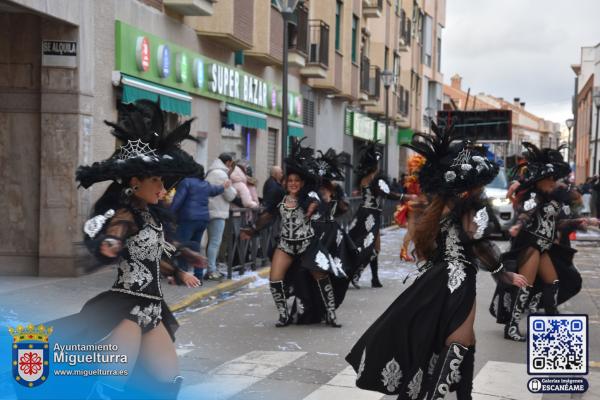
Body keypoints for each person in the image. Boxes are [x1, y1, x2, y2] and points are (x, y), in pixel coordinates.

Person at [346, 123, 528, 400]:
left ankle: (463, 396)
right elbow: (477, 244)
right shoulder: (467, 208)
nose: (481, 190)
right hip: (458, 280)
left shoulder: (437, 206)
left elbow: (427, 248)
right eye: (479, 186)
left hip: (436, 278)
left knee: (463, 340)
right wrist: (504, 274)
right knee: (460, 341)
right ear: (468, 186)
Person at [47, 100, 201, 399]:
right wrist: (110, 243)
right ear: (135, 181)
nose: (162, 186)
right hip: (126, 308)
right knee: (109, 386)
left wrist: (180, 270)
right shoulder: (126, 213)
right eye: (155, 179)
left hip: (153, 308)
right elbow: (116, 232)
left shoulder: (150, 216)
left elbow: (151, 258)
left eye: (163, 180)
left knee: (166, 382)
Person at [489, 143, 597, 341]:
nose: (552, 181)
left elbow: (560, 223)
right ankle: (511, 328)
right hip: (530, 245)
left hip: (544, 246)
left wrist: (584, 221)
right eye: (549, 178)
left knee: (553, 282)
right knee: (525, 285)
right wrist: (517, 226)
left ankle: (550, 322)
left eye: (553, 178)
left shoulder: (553, 196)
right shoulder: (533, 196)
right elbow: (525, 214)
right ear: (539, 180)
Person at [241, 139, 345, 327]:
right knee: (274, 279)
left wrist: (311, 208)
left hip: (308, 244)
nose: (293, 184)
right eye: (290, 180)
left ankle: (331, 313)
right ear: (285, 182)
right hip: (286, 244)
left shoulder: (310, 196)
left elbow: (315, 204)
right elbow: (267, 216)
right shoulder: (280, 197)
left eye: (297, 180)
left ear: (303, 182)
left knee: (320, 275)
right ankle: (283, 315)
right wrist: (253, 229)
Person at [348, 141, 412, 288]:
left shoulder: (365, 179)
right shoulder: (374, 180)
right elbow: (386, 194)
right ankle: (357, 273)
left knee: (372, 247)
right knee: (372, 247)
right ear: (374, 166)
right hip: (370, 215)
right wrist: (405, 197)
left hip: (364, 213)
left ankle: (373, 279)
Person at [169, 165, 232, 279]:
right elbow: (214, 191)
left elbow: (178, 200)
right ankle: (198, 275)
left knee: (182, 246)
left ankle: (182, 274)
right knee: (196, 246)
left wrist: (168, 214)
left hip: (188, 219)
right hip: (203, 220)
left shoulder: (186, 182)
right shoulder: (205, 184)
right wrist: (223, 187)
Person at [205, 153, 238, 280]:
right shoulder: (221, 174)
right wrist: (233, 190)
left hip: (209, 210)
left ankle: (210, 268)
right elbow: (230, 195)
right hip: (218, 211)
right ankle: (211, 270)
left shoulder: (210, 172)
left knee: (211, 242)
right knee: (215, 242)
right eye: (231, 163)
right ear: (228, 162)